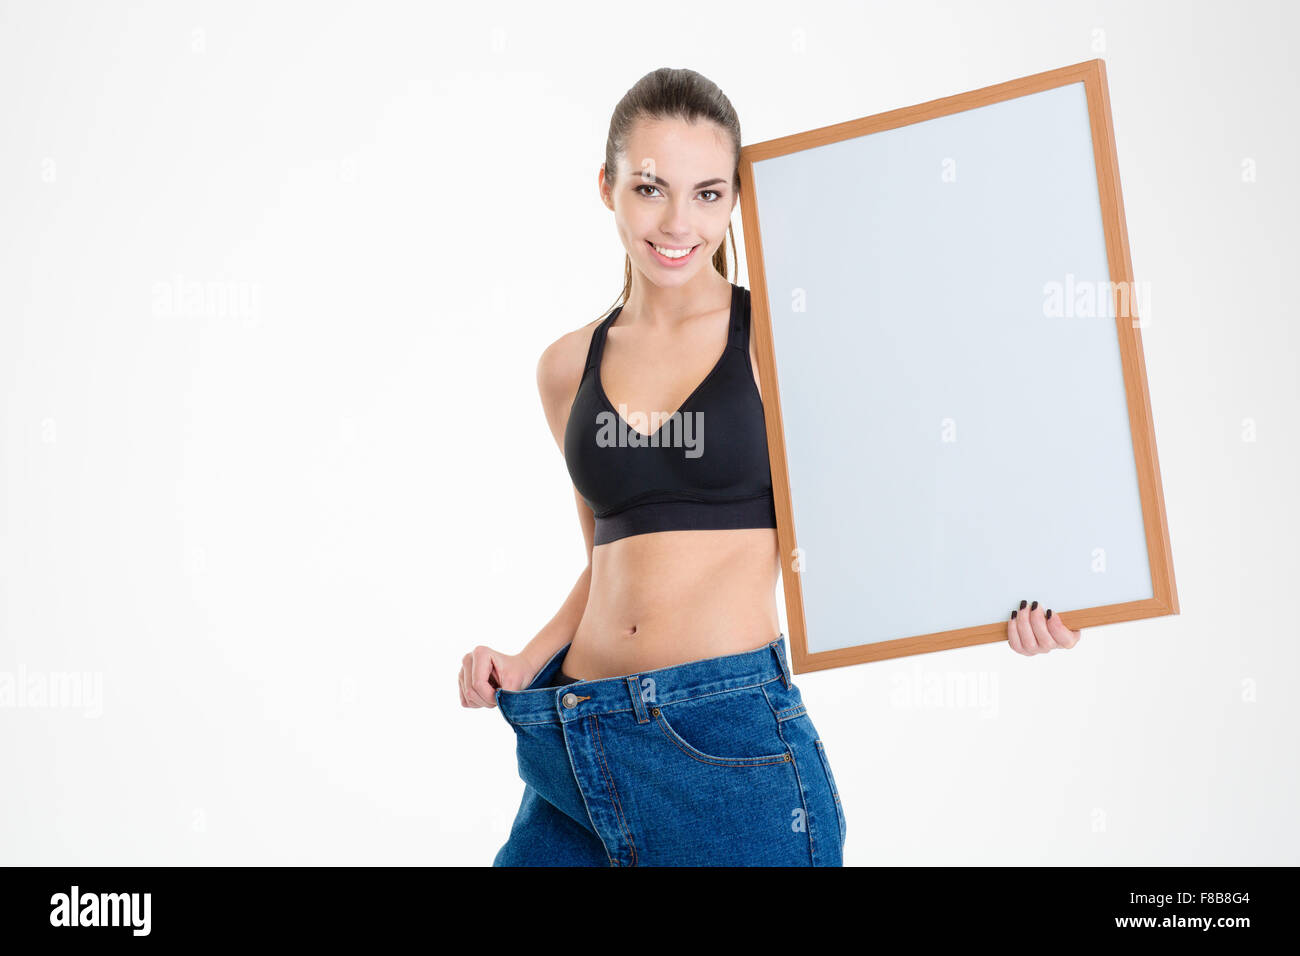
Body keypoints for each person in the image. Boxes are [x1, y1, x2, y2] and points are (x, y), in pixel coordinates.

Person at [459, 67, 1083, 867]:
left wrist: (1013, 598)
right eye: (651, 188)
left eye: (709, 194)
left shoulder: (780, 340)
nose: (679, 221)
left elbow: (911, 486)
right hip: (574, 745)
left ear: (735, 199)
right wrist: (522, 659)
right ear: (607, 186)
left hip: (724, 749)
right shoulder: (564, 366)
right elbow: (607, 561)